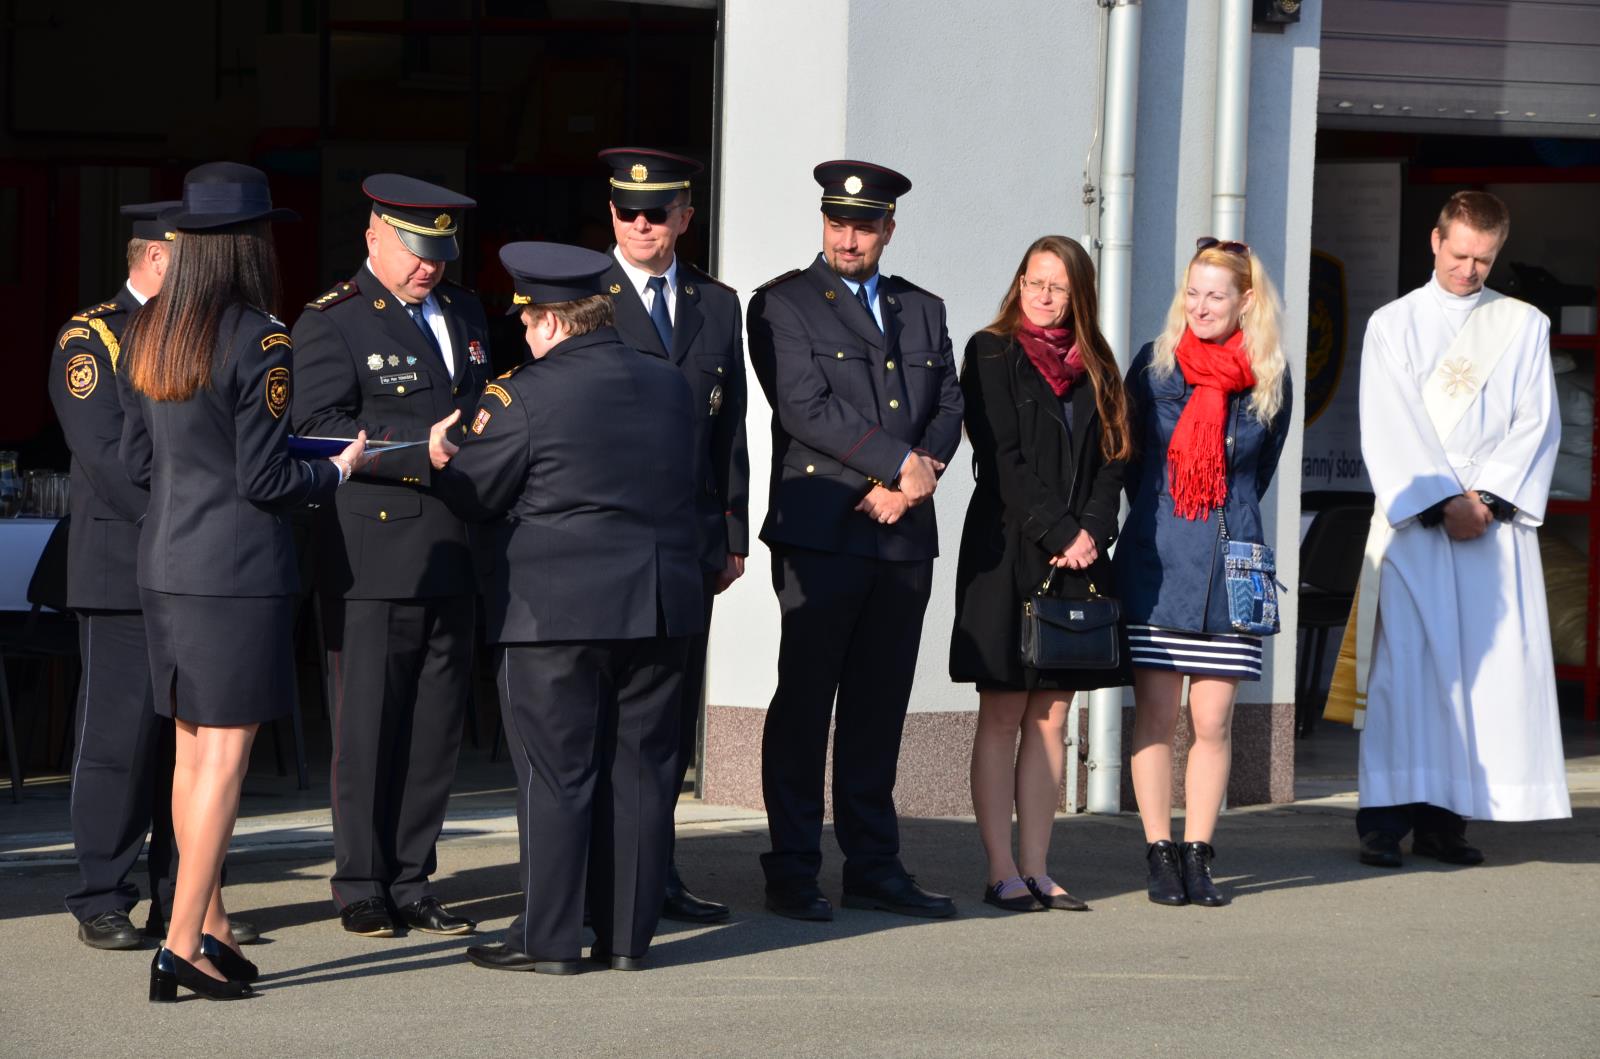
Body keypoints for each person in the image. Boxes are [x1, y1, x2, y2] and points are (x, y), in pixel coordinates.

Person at [118, 162, 369, 1000]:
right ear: (251, 245)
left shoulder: (152, 329)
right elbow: (264, 481)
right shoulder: (261, 336)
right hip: (237, 570)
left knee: (192, 755)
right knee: (223, 759)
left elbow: (139, 458)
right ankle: (183, 941)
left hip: (167, 562)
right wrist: (336, 472)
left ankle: (210, 924)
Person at [441, 242, 703, 974]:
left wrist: (446, 459)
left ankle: (549, 938)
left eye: (527, 323)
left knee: (557, 773)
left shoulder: (530, 392)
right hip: (656, 603)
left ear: (552, 322)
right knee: (644, 772)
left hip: (556, 611)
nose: (525, 335)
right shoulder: (671, 384)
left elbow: (475, 491)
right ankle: (625, 937)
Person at [747, 161, 964, 921]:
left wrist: (918, 474)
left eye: (864, 225)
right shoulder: (783, 304)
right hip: (823, 532)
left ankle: (873, 864)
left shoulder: (923, 308)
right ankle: (794, 867)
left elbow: (947, 405)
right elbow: (804, 409)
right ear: (824, 223)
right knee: (806, 705)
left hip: (904, 536)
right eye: (838, 222)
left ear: (888, 231)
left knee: (879, 706)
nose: (849, 237)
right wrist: (896, 462)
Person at [291, 174, 491, 939]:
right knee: (369, 723)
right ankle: (360, 881)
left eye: (439, 252)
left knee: (437, 727)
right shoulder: (333, 320)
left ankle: (413, 876)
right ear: (374, 232)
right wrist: (417, 452)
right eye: (414, 250)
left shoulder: (465, 309)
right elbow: (315, 423)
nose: (427, 267)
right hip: (374, 547)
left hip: (454, 546)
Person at [1352, 190, 1569, 868]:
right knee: (1406, 670)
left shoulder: (1523, 324)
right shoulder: (1393, 324)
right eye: (1459, 254)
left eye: (1484, 259)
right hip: (1419, 520)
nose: (1469, 271)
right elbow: (1387, 421)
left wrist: (1489, 501)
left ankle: (1446, 820)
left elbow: (1537, 421)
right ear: (1435, 239)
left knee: (1478, 677)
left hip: (1491, 530)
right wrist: (1445, 500)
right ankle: (1384, 820)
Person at [949, 235, 1132, 913]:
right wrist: (1060, 532)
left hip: (1078, 560)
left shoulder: (1100, 364)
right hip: (1007, 552)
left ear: (1078, 292)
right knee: (1001, 712)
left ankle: (1038, 866)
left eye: (1057, 285)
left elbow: (1115, 459)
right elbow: (1002, 459)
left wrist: (1091, 533)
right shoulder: (990, 351)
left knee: (1053, 716)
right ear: (1018, 282)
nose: (1043, 296)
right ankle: (1000, 868)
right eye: (1033, 281)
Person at [595, 146, 749, 923]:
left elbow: (732, 430)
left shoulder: (717, 305)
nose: (643, 224)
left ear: (686, 217)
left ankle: (655, 872)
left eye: (659, 212)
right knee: (603, 720)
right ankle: (601, 878)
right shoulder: (585, 297)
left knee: (669, 720)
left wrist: (732, 530)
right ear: (612, 214)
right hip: (606, 547)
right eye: (630, 211)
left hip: (688, 546)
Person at [1115, 237, 1292, 908]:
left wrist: (1225, 516)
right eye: (1193, 292)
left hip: (1235, 561)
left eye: (1216, 294)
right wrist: (1169, 520)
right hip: (1162, 562)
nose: (1200, 305)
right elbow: (1134, 463)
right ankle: (1159, 850)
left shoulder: (1269, 375)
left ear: (1247, 300)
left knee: (1214, 720)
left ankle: (1200, 852)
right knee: (1157, 713)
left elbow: (1261, 470)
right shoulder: (1157, 368)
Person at [51, 202, 183, 951]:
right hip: (122, 564)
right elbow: (105, 456)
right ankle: (101, 892)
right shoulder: (92, 336)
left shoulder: (196, 331)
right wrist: (185, 518)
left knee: (182, 739)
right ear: (157, 258)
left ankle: (181, 894)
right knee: (117, 737)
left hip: (185, 565)